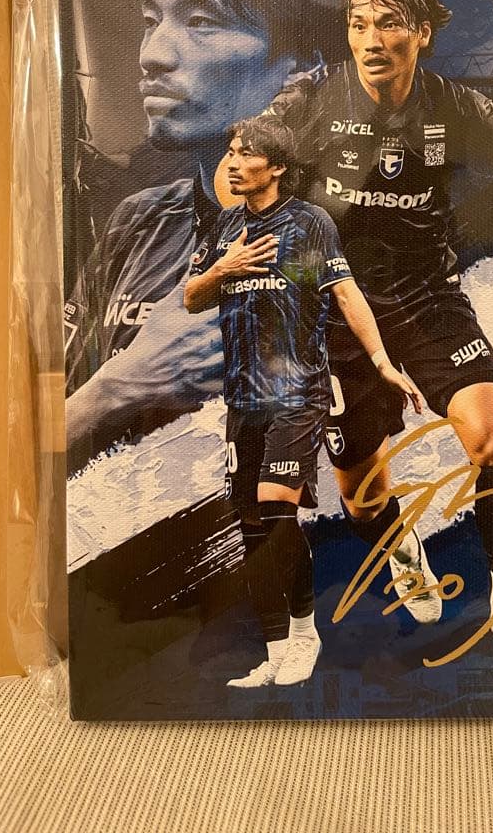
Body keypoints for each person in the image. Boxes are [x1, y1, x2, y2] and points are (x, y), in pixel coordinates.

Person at [267, 0, 493, 656]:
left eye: (389, 23)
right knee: (362, 497)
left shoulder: (457, 108)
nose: (371, 39)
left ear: (421, 32)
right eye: (358, 23)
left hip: (426, 300)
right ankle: (402, 552)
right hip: (337, 315)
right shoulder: (311, 99)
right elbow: (241, 167)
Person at [64, 0, 351, 469]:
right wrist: (120, 388)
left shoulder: (348, 236)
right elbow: (34, 445)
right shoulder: (139, 220)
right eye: (152, 20)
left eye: (201, 22)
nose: (153, 55)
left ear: (301, 63)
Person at [184, 116, 420, 687]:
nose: (233, 163)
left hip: (298, 392)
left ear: (277, 168)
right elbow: (191, 298)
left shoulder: (309, 223)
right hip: (243, 399)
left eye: (246, 154)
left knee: (275, 508)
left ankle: (303, 635)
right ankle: (277, 650)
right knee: (252, 527)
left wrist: (382, 362)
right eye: (230, 152)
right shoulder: (224, 225)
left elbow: (346, 293)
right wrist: (225, 267)